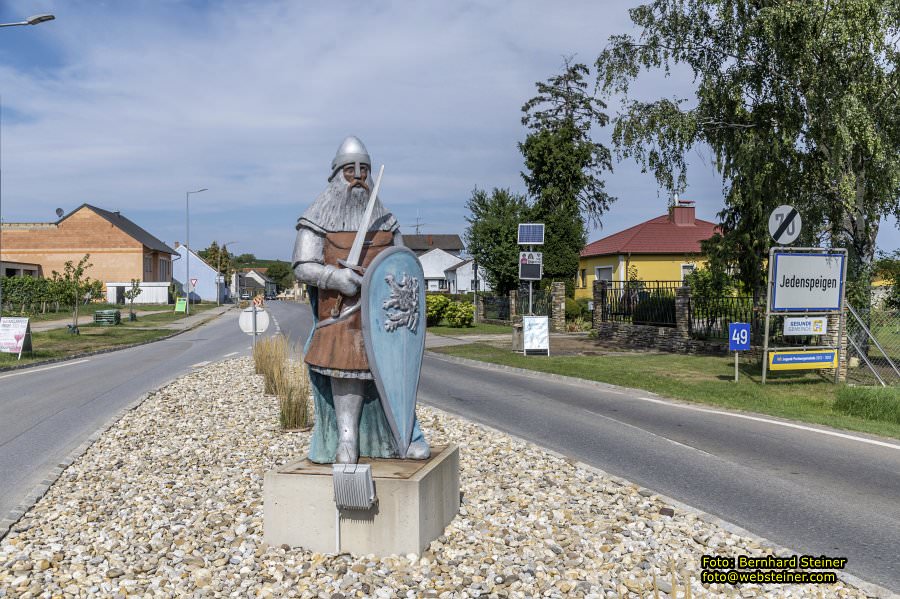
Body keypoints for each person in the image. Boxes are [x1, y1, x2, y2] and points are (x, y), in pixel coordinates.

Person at [292, 136, 430, 464]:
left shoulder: (386, 220)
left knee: (394, 371)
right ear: (336, 174)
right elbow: (302, 265)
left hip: (385, 317)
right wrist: (334, 278)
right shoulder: (317, 217)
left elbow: (401, 263)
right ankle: (347, 439)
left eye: (364, 171)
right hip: (341, 315)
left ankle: (403, 436)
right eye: (350, 171)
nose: (358, 178)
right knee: (346, 367)